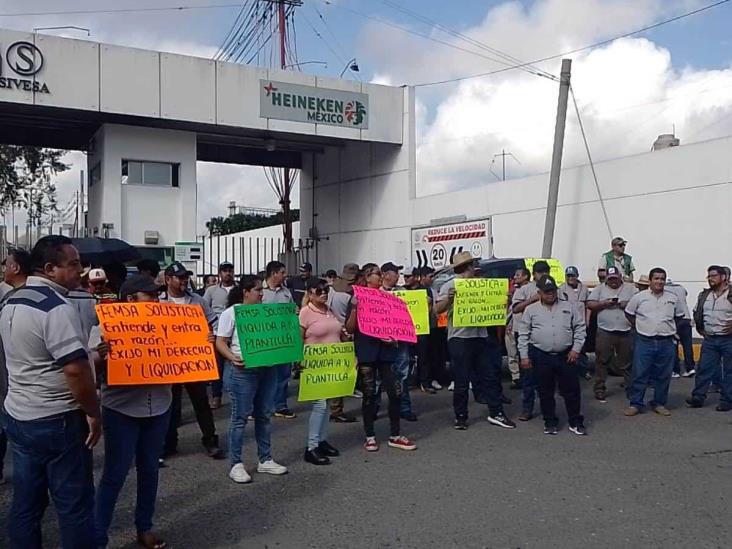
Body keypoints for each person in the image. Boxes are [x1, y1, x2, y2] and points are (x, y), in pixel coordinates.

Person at [0, 235, 100, 548]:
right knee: (74, 505)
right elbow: (73, 369)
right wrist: (93, 413)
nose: (80, 271)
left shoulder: (11, 301)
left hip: (19, 414)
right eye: (73, 264)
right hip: (58, 419)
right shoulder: (56, 308)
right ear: (49, 269)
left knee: (26, 502)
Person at [93, 275, 172, 549]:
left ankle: (144, 527)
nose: (157, 300)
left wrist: (202, 340)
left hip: (159, 405)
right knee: (115, 474)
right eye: (150, 296)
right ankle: (98, 536)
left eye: (158, 295)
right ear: (130, 300)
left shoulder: (169, 324)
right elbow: (88, 371)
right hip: (121, 409)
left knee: (150, 469)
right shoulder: (103, 327)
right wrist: (100, 356)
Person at [216, 275, 288, 483]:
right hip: (243, 371)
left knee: (264, 414)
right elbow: (221, 342)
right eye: (257, 290)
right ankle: (236, 464)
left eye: (262, 290)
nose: (261, 294)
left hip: (267, 368)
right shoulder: (232, 313)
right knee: (240, 417)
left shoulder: (267, 313)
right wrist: (232, 357)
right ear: (246, 292)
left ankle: (265, 459)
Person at [435, 252, 516, 430]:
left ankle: (496, 412)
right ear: (468, 267)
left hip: (480, 336)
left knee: (489, 376)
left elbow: (496, 306)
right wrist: (449, 298)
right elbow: (437, 310)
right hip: (459, 337)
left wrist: (504, 299)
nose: (474, 268)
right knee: (462, 379)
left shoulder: (480, 284)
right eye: (472, 265)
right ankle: (461, 417)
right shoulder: (450, 285)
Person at [345, 263, 416, 451]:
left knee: (395, 392)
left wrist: (394, 337)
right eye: (377, 274)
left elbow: (395, 325)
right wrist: (354, 309)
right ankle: (370, 436)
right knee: (369, 394)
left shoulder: (388, 298)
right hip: (367, 351)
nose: (380, 277)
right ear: (368, 277)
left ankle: (395, 434)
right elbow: (350, 328)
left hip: (387, 352)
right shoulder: (357, 297)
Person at [160, 262, 224, 459]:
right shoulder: (158, 302)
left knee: (201, 403)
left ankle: (210, 440)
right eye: (180, 277)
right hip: (170, 362)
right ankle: (169, 443)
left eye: (186, 277)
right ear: (168, 279)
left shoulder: (197, 300)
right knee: (170, 405)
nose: (184, 281)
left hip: (194, 362)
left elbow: (213, 321)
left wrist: (211, 335)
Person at [518, 275, 587, 435]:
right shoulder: (531, 310)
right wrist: (524, 356)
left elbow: (580, 328)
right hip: (541, 355)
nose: (550, 294)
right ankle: (550, 421)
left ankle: (575, 421)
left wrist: (576, 349)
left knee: (572, 390)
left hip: (566, 355)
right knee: (545, 391)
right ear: (539, 292)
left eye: (553, 291)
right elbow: (523, 334)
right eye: (546, 291)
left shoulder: (569, 307)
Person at [624, 268, 686, 417]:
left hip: (666, 342)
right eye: (656, 278)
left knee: (663, 375)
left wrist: (667, 328)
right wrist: (641, 326)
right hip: (645, 340)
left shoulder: (672, 298)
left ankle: (659, 403)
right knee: (640, 374)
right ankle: (636, 403)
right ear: (650, 281)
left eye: (662, 279)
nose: (659, 282)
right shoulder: (639, 297)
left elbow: (679, 316)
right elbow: (629, 313)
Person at [300, 278, 344, 465]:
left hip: (332, 363)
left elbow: (338, 331)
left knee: (326, 405)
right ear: (310, 294)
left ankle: (322, 440)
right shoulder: (305, 313)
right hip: (315, 364)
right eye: (318, 291)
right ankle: (311, 447)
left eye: (325, 290)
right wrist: (300, 360)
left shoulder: (329, 310)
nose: (323, 293)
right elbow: (299, 338)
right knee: (319, 405)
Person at [586, 266, 637, 402]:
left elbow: (639, 303)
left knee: (627, 362)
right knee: (602, 361)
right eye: (610, 279)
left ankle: (631, 387)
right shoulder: (600, 288)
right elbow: (590, 304)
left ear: (620, 277)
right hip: (605, 330)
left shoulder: (631, 289)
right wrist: (603, 303)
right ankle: (600, 388)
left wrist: (626, 304)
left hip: (625, 330)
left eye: (615, 278)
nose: (613, 281)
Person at [687, 266, 732, 411]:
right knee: (704, 369)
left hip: (728, 339)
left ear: (723, 277)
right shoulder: (704, 295)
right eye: (709, 276)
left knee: (729, 371)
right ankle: (698, 397)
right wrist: (700, 327)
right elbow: (697, 311)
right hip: (710, 339)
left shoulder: (731, 294)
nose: (710, 279)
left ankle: (727, 400)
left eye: (713, 276)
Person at [512, 261, 550, 421]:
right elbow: (515, 308)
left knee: (547, 376)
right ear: (534, 274)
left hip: (546, 336)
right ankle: (527, 408)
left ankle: (547, 409)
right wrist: (533, 299)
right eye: (540, 273)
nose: (543, 275)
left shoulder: (553, 287)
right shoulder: (525, 290)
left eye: (545, 272)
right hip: (526, 335)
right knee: (528, 375)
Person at [381, 261, 417, 421]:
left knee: (402, 375)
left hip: (401, 341)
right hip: (381, 342)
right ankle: (374, 409)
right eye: (396, 273)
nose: (398, 276)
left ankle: (404, 408)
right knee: (379, 377)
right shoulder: (375, 293)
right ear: (386, 275)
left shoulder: (403, 292)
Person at [326, 263, 360, 423]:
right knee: (342, 373)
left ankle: (333, 406)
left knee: (333, 372)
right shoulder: (351, 294)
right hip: (345, 334)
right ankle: (336, 408)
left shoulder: (330, 289)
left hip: (330, 333)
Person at [263, 260, 297, 419]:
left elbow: (292, 310)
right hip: (265, 341)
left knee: (283, 375)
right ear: (273, 273)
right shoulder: (260, 290)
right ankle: (258, 406)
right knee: (262, 376)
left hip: (284, 340)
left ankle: (280, 406)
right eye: (282, 272)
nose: (285, 275)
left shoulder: (286, 292)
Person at [203, 261, 237, 409]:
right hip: (218, 333)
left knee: (236, 365)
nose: (227, 273)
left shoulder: (239, 289)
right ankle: (216, 396)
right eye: (224, 271)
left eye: (230, 270)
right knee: (218, 367)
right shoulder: (211, 291)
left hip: (236, 334)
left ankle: (236, 396)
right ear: (220, 273)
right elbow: (203, 310)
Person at [559, 266, 591, 381]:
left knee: (581, 347)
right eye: (568, 276)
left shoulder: (584, 288)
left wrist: (587, 319)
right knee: (567, 347)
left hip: (581, 322)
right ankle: (568, 371)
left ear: (577, 276)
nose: (570, 278)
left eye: (573, 275)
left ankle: (583, 370)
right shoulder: (561, 289)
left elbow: (588, 305)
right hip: (567, 322)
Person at [665, 278, 696, 378]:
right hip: (686, 318)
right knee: (687, 345)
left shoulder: (664, 289)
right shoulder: (681, 288)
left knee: (673, 345)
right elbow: (685, 295)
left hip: (675, 319)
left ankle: (675, 370)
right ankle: (690, 368)